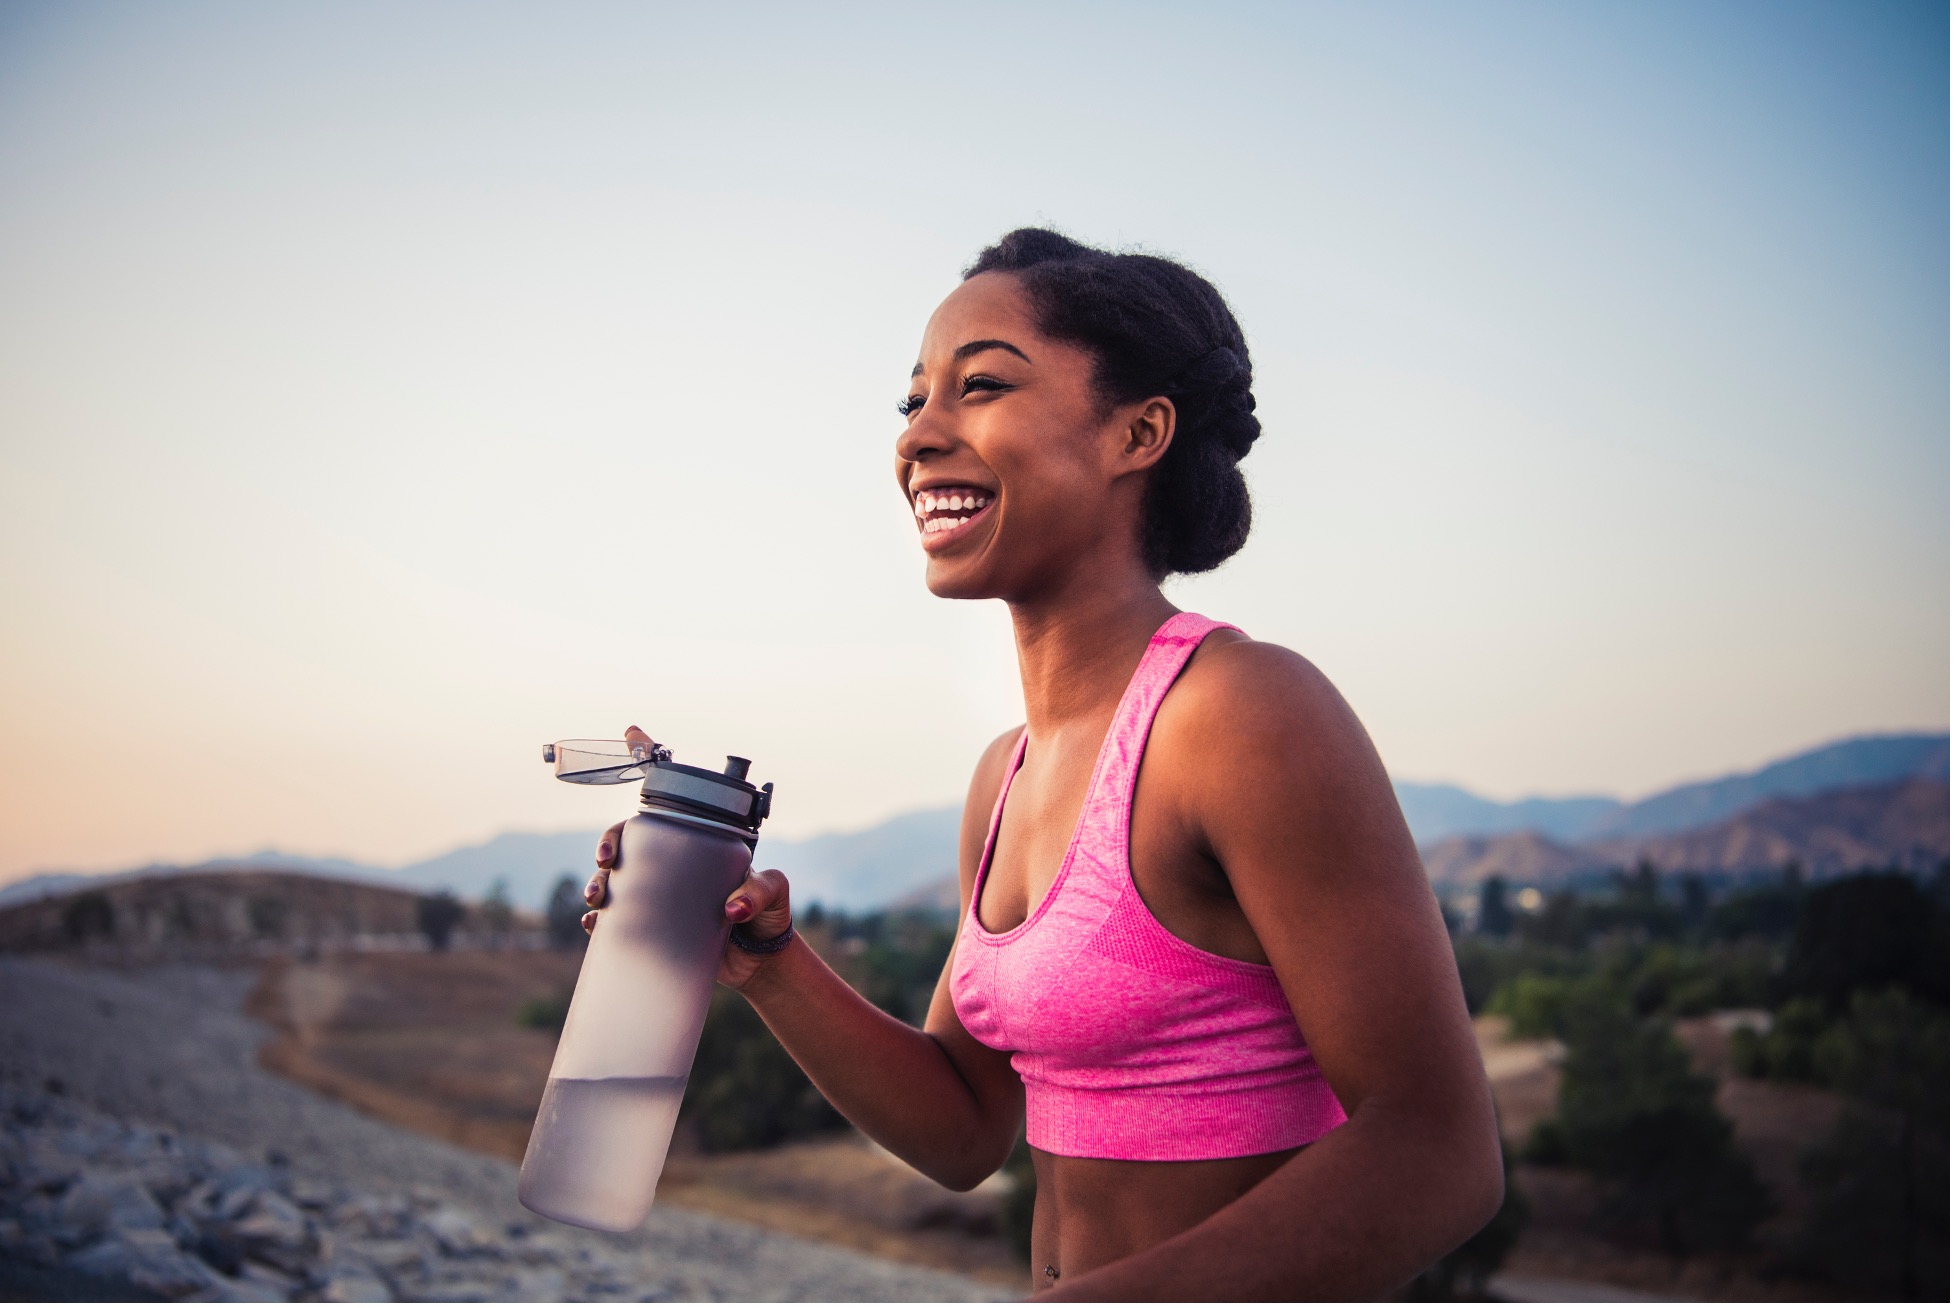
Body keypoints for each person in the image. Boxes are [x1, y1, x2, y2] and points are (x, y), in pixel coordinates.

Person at [584, 228, 1502, 1299]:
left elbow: (1438, 1155)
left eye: (976, 386)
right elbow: (964, 1128)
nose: (918, 436)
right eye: (910, 401)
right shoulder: (1004, 776)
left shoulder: (1240, 715)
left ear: (1137, 433)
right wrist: (766, 965)